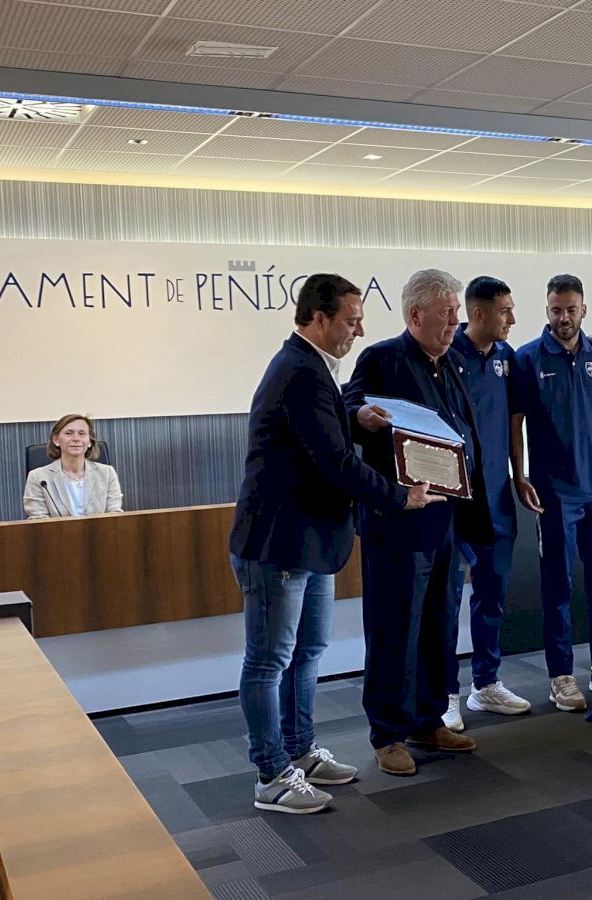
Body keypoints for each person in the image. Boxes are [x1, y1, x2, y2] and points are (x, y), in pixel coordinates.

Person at [230, 273, 438, 814]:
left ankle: (299, 751)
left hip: (311, 540)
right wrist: (401, 496)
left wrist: (354, 416)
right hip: (278, 542)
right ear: (319, 318)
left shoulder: (311, 367)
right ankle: (271, 774)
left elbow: (320, 431)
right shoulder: (300, 370)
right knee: (268, 662)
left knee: (307, 653)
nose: (359, 330)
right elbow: (335, 462)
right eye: (351, 320)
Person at [343, 268, 492, 777]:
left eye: (456, 313)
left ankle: (428, 719)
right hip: (399, 520)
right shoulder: (380, 358)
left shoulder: (450, 362)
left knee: (438, 624)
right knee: (395, 627)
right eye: (447, 313)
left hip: (445, 518)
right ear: (415, 314)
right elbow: (348, 408)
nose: (456, 322)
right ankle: (387, 734)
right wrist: (360, 417)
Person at [511, 274, 592, 712]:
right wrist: (520, 474)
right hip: (555, 493)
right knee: (557, 587)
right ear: (547, 311)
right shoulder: (528, 358)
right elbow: (515, 422)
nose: (563, 317)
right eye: (556, 310)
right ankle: (561, 676)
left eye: (571, 309)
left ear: (584, 310)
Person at [442, 276, 530, 731]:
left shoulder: (507, 358)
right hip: (455, 500)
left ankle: (486, 683)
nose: (512, 318)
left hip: (497, 495)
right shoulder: (445, 354)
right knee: (447, 600)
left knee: (491, 594)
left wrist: (520, 475)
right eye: (504, 311)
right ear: (478, 314)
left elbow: (515, 422)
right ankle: (445, 694)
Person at [23, 414, 122, 518]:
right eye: (69, 433)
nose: (76, 438)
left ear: (89, 441)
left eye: (82, 433)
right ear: (56, 440)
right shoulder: (38, 477)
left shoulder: (107, 473)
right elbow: (38, 520)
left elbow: (114, 515)